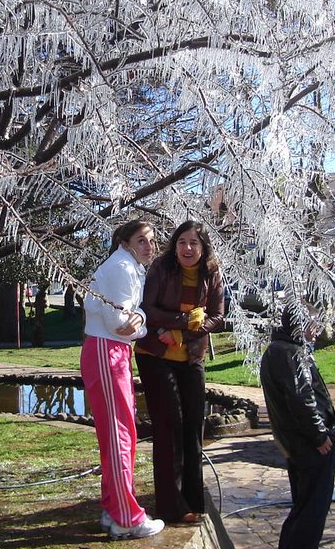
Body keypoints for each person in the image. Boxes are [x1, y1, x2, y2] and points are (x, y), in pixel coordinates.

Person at [134, 220, 225, 524]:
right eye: (182, 242)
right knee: (170, 424)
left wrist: (183, 334)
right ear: (174, 245)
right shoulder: (162, 268)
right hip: (155, 354)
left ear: (203, 247)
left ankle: (193, 500)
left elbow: (217, 316)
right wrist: (185, 319)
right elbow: (148, 308)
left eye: (194, 243)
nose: (187, 248)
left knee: (193, 425)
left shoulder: (211, 274)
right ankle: (172, 506)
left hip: (190, 355)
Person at [81, 220, 165, 540]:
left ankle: (113, 507)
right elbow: (121, 323)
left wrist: (137, 318)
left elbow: (124, 319)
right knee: (119, 435)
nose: (149, 247)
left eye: (152, 241)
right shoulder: (122, 267)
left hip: (110, 351)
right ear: (125, 241)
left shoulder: (125, 266)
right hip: (108, 349)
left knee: (120, 431)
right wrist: (143, 320)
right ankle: (127, 518)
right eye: (141, 240)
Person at [259, 304, 335, 549]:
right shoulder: (291, 353)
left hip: (296, 442)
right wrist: (319, 436)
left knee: (304, 505)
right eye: (313, 324)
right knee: (311, 510)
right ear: (299, 325)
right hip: (309, 444)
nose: (317, 330)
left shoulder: (279, 350)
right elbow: (301, 399)